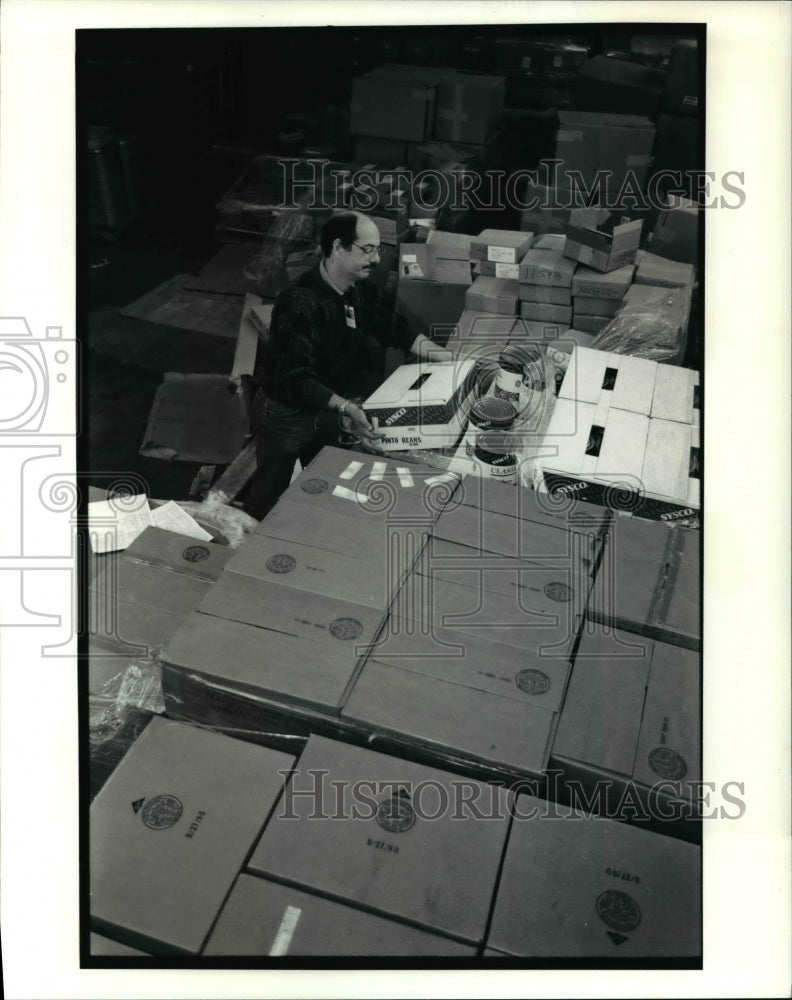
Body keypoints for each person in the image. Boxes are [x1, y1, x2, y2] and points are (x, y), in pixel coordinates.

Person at [243, 211, 451, 519]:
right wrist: (347, 408)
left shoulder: (358, 289)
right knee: (271, 488)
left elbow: (393, 327)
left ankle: (304, 529)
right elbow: (295, 377)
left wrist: (445, 356)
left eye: (378, 249)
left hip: (327, 405)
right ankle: (251, 538)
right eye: (367, 249)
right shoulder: (299, 301)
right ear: (338, 248)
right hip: (287, 411)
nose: (376, 258)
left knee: (320, 479)